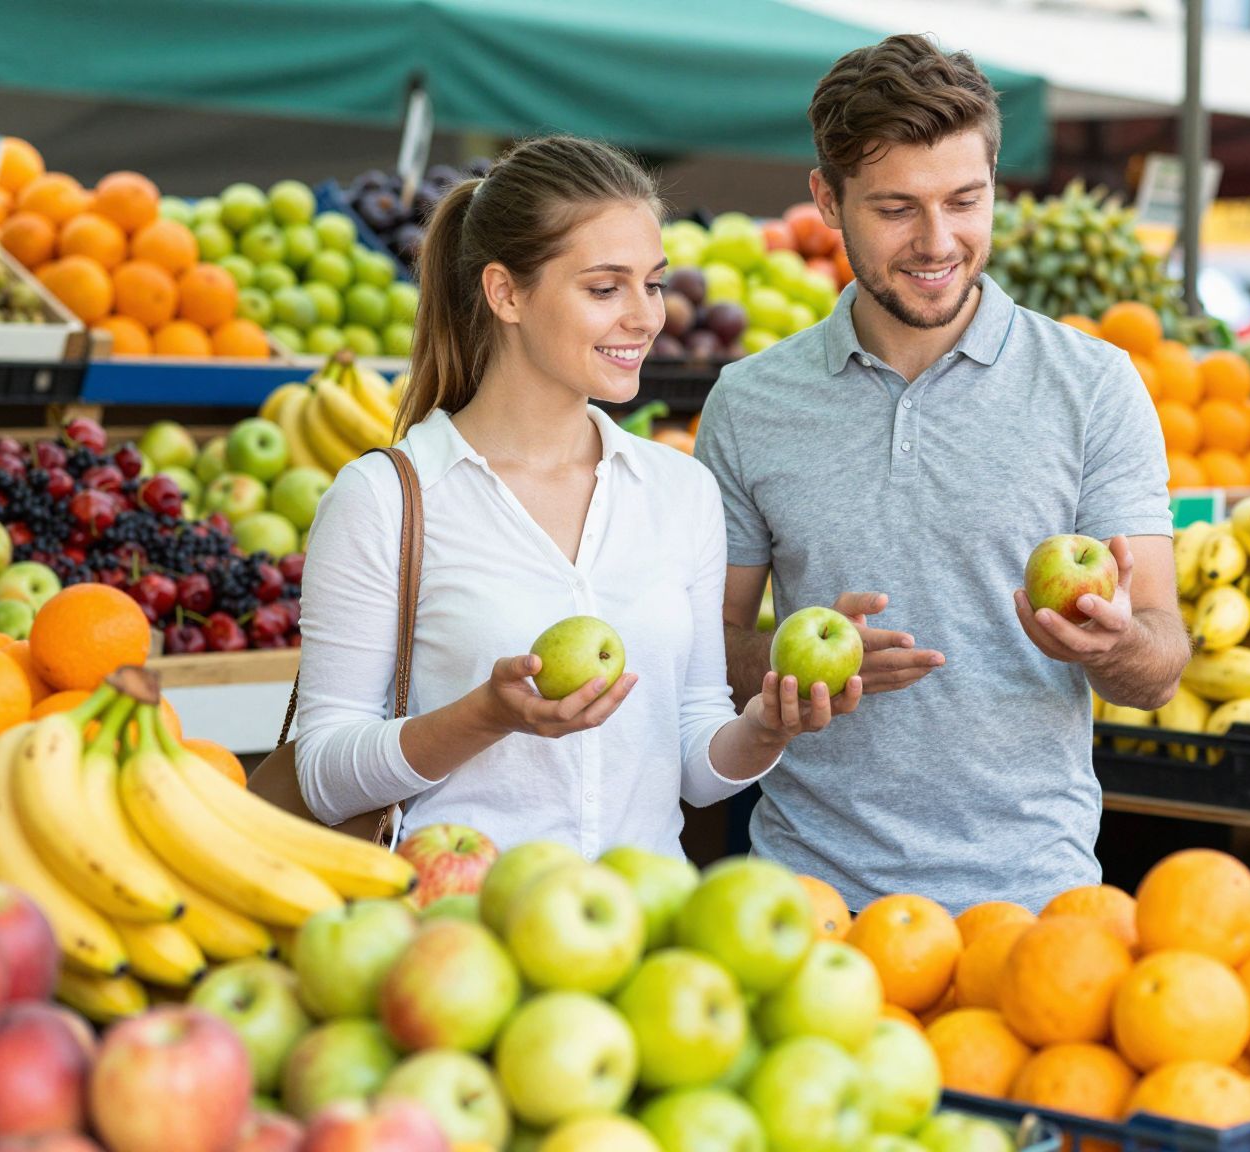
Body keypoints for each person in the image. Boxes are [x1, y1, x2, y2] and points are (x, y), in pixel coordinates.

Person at [695, 36, 1189, 913]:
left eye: (966, 200)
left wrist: (1117, 646)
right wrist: (791, 660)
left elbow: (1160, 666)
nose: (937, 242)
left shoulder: (1094, 386)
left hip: (1033, 907)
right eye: (896, 208)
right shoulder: (748, 403)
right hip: (809, 907)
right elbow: (706, 655)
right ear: (827, 200)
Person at [292, 135, 854, 860]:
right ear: (506, 293)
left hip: (642, 935)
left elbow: (695, 758)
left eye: (653, 283)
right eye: (604, 288)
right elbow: (323, 774)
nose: (647, 317)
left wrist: (767, 727)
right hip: (460, 937)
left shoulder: (680, 492)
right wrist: (485, 716)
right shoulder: (385, 500)